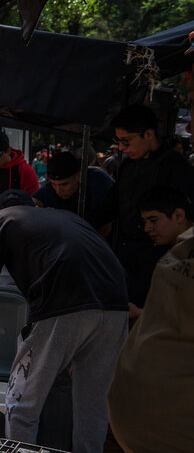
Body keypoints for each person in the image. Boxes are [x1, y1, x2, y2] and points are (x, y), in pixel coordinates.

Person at [0, 190, 128, 453]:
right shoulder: (63, 217)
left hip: (64, 303)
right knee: (92, 405)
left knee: (22, 403)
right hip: (115, 305)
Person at [108, 186, 194, 452]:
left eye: (153, 220)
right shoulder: (174, 256)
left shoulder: (174, 258)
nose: (146, 228)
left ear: (179, 215)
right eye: (145, 221)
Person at [94, 104, 194, 312]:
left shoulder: (176, 166)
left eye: (126, 141)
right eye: (119, 142)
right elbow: (111, 205)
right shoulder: (129, 165)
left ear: (148, 134)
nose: (122, 148)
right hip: (126, 258)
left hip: (161, 261)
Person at [32, 151, 113, 224]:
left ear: (78, 176)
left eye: (64, 184)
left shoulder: (98, 183)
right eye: (54, 184)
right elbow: (35, 200)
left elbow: (106, 226)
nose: (58, 190)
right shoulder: (49, 190)